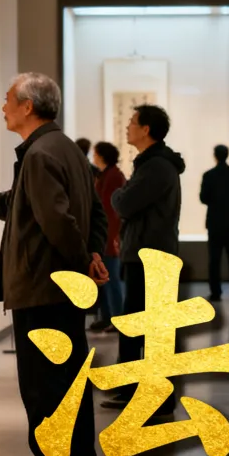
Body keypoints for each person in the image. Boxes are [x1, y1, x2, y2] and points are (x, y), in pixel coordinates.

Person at [0, 73, 108, 456]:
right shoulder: (66, 149)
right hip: (62, 286)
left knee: (42, 384)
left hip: (43, 287)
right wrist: (92, 256)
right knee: (69, 378)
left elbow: (57, 222)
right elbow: (86, 212)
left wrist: (83, 262)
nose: (3, 108)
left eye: (7, 100)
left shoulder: (39, 154)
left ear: (28, 106)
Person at [101, 104, 186, 418]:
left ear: (146, 129)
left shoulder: (157, 167)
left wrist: (118, 195)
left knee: (152, 329)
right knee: (137, 324)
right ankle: (132, 390)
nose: (128, 127)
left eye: (132, 122)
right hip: (145, 254)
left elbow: (124, 203)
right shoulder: (151, 164)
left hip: (151, 258)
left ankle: (156, 398)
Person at [200, 144, 229, 302]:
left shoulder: (209, 175)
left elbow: (203, 198)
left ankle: (216, 292)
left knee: (214, 260)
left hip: (215, 222)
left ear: (215, 156)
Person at [90, 141, 126, 332]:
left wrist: (110, 238)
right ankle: (107, 317)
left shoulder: (112, 177)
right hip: (104, 236)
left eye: (95, 154)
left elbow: (110, 212)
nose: (93, 157)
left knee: (111, 280)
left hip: (108, 237)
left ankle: (117, 318)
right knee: (104, 280)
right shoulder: (106, 175)